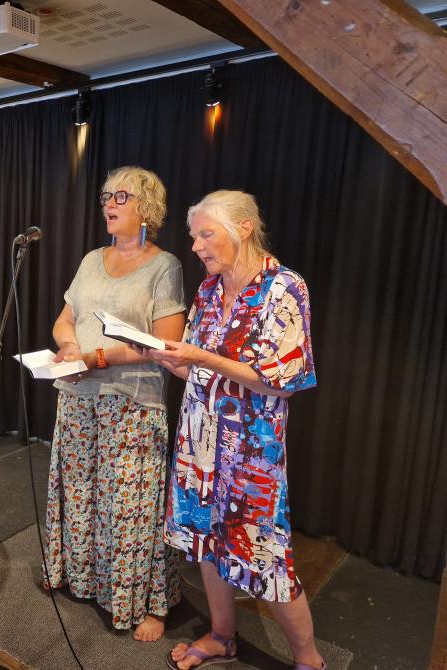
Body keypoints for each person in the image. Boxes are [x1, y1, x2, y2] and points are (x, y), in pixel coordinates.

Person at [140, 190, 324, 670]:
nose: (196, 246)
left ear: (243, 228)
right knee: (205, 541)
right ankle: (222, 636)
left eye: (206, 234)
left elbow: (283, 381)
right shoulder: (208, 290)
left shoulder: (284, 288)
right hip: (198, 443)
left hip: (250, 452)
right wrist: (168, 358)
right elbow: (196, 370)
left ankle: (309, 659)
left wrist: (201, 357)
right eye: (194, 236)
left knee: (266, 556)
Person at [43, 166, 187, 642]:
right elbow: (65, 319)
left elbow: (166, 343)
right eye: (107, 195)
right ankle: (84, 580)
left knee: (129, 506)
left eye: (121, 197)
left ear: (147, 208)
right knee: (80, 492)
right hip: (77, 396)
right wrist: (69, 347)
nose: (109, 203)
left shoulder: (165, 266)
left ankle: (143, 601)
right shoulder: (91, 259)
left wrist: (97, 357)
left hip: (131, 403)